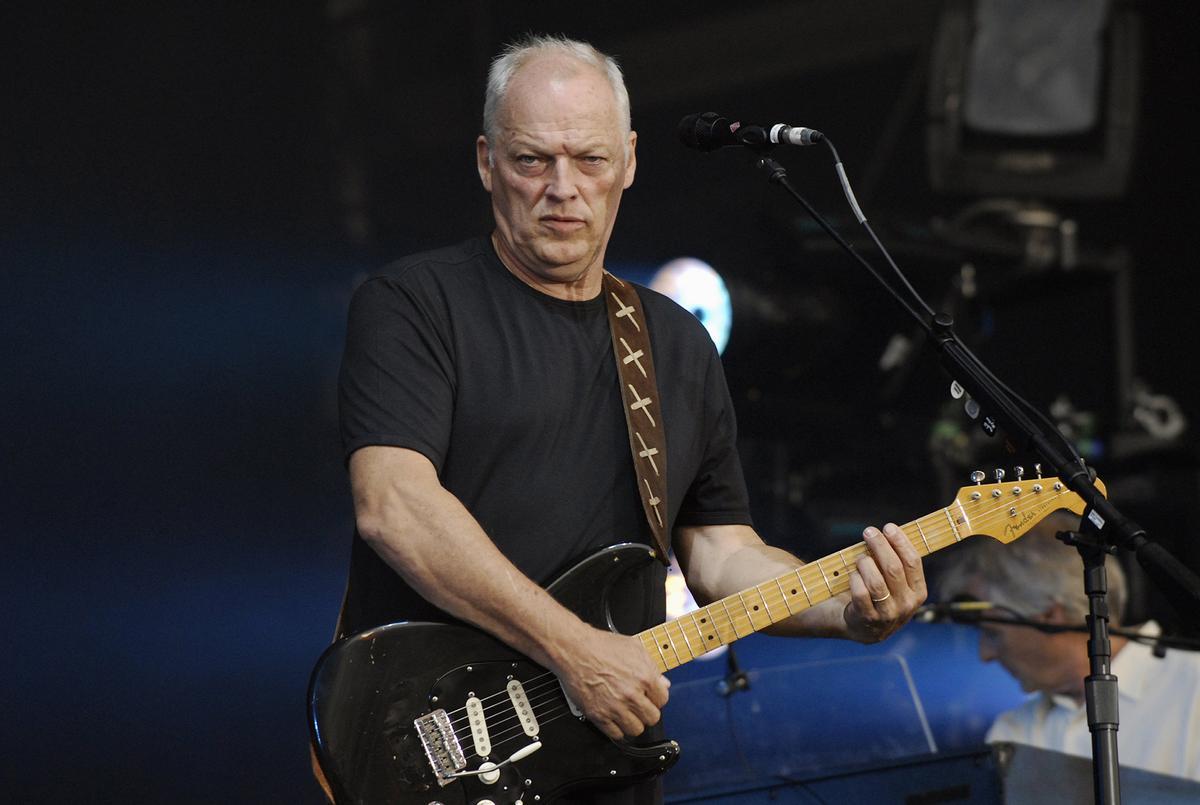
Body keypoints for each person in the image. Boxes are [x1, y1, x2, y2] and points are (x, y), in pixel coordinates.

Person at [333, 33, 927, 802]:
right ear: (486, 163)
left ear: (631, 162)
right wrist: (573, 647)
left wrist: (848, 609)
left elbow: (720, 556)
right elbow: (394, 506)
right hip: (426, 738)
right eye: (531, 160)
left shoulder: (675, 343)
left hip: (598, 754)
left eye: (591, 159)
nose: (563, 187)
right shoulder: (414, 304)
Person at [936, 510, 1200, 780]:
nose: (985, 654)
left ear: (1050, 616)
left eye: (992, 633)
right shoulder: (1013, 732)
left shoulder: (1194, 690)